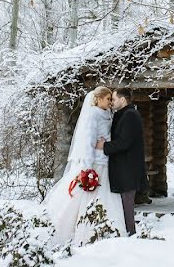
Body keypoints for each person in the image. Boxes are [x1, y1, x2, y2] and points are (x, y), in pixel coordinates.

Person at [48, 86, 126, 246]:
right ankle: (80, 231)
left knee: (106, 196)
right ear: (98, 99)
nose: (110, 102)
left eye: (112, 99)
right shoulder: (92, 115)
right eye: (108, 99)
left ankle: (108, 230)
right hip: (95, 163)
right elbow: (88, 141)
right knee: (88, 196)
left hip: (105, 161)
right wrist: (88, 167)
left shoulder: (107, 114)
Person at [96, 88, 148, 236]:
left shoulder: (130, 115)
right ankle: (125, 232)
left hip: (128, 169)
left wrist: (103, 146)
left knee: (127, 203)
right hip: (123, 168)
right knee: (123, 204)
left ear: (123, 100)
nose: (112, 102)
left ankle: (130, 234)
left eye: (114, 99)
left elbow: (125, 142)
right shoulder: (123, 114)